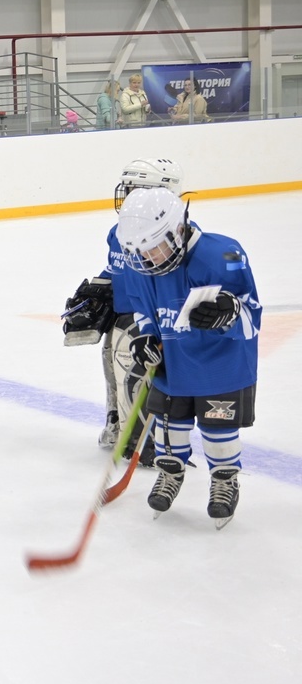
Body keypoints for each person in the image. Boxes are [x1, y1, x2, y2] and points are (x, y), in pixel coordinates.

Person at [115, 187, 261, 526]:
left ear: (178, 229)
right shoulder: (142, 266)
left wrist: (231, 309)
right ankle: (170, 474)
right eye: (140, 252)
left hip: (219, 367)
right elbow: (142, 309)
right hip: (173, 366)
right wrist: (146, 337)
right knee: (170, 428)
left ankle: (225, 480)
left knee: (217, 430)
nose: (147, 259)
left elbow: (253, 315)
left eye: (154, 247)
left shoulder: (222, 255)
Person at [63, 158, 184, 461]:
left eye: (135, 189)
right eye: (127, 188)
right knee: (112, 364)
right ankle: (118, 422)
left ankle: (151, 438)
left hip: (151, 321)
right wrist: (98, 291)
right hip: (123, 314)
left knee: (134, 370)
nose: (128, 196)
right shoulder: (117, 231)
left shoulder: (172, 235)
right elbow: (117, 269)